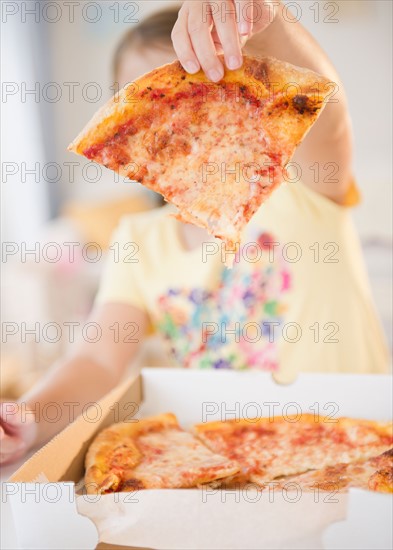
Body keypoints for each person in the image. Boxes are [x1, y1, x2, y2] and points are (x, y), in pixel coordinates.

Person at [0, 1, 388, 466]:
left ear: (250, 99)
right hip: (232, 466)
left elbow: (329, 113)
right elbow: (97, 361)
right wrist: (28, 417)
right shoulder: (137, 241)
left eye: (200, 92)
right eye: (150, 103)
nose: (178, 122)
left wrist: (265, 19)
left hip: (363, 442)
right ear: (122, 130)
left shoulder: (303, 187)